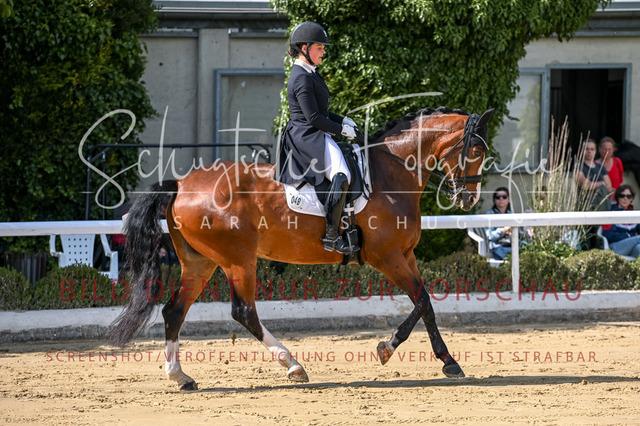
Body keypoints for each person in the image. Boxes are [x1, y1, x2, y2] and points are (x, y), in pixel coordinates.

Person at [276, 21, 359, 255]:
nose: (323, 51)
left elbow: (320, 112)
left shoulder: (309, 73)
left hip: (314, 131)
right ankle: (332, 235)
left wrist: (343, 120)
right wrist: (341, 131)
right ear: (304, 48)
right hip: (306, 136)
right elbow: (313, 118)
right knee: (342, 176)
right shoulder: (301, 78)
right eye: (319, 47)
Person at [576, 138, 613, 249]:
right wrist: (600, 183)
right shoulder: (579, 166)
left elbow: (609, 187)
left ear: (595, 151)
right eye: (586, 149)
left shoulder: (600, 167)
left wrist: (593, 184)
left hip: (601, 209)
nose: (589, 151)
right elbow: (585, 185)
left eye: (592, 149)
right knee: (586, 240)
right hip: (585, 209)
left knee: (598, 240)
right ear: (582, 151)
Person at [485, 187, 524, 260]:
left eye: (504, 197)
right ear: (494, 200)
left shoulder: (513, 214)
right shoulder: (490, 214)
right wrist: (503, 230)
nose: (501, 199)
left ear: (509, 199)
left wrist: (513, 232)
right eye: (498, 197)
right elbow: (490, 235)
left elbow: (521, 233)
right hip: (498, 247)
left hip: (513, 244)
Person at [602, 184, 640, 258]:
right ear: (618, 198)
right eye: (622, 196)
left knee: (639, 248)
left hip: (631, 246)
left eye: (628, 196)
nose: (625, 198)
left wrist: (631, 240)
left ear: (632, 199)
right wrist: (629, 237)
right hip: (616, 247)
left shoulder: (634, 214)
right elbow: (608, 234)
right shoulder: (610, 213)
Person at [596, 136, 624, 201]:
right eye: (604, 149)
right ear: (599, 149)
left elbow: (620, 180)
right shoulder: (594, 164)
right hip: (600, 201)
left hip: (616, 200)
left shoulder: (617, 162)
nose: (607, 152)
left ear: (613, 150)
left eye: (609, 149)